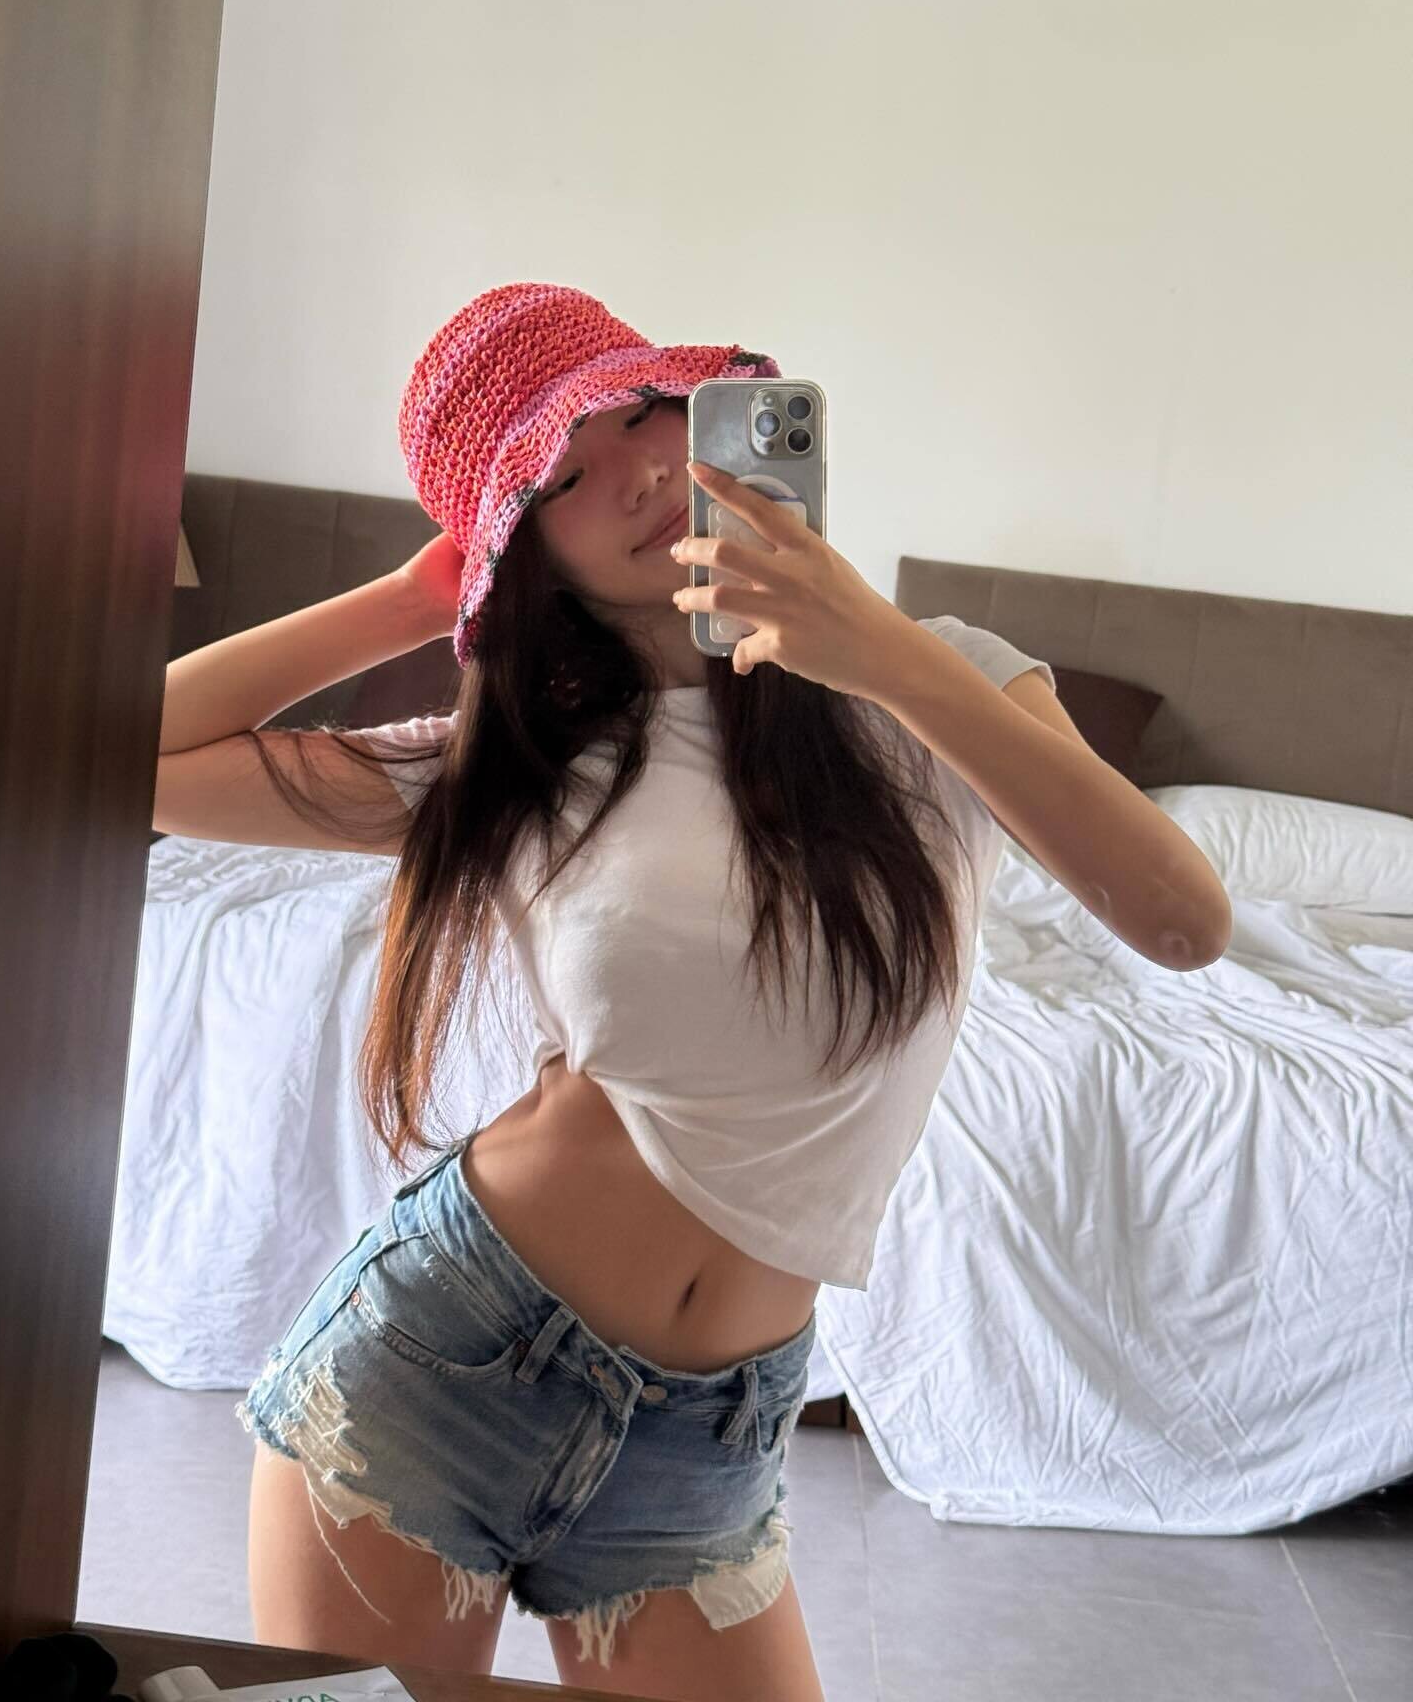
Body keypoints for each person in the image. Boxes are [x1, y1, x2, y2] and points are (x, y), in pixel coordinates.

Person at [174, 280, 1058, 1698]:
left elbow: (1181, 920)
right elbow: (130, 756)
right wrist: (414, 599)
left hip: (708, 1440)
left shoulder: (940, 690)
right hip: (439, 1373)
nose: (638, 472)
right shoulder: (512, 764)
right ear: (527, 557)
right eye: (560, 480)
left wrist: (876, 646)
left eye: (645, 413)